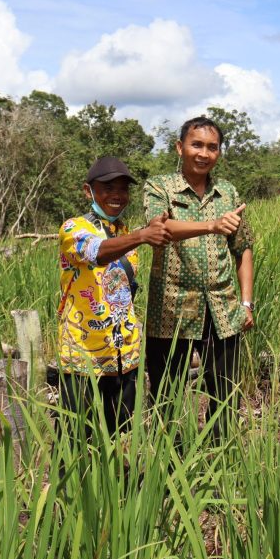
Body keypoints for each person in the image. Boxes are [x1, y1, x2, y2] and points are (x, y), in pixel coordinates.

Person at [143, 116, 254, 443]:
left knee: (225, 395)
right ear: (180, 148)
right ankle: (168, 468)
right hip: (171, 311)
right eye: (196, 145)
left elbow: (243, 248)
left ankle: (222, 462)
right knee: (167, 397)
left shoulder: (228, 192)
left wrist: (246, 303)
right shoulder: (160, 187)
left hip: (223, 310)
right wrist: (211, 225)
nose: (204, 153)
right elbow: (158, 229)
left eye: (212, 147)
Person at [57, 156, 170, 437]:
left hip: (124, 356)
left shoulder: (124, 232)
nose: (117, 195)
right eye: (108, 188)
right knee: (75, 441)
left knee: (118, 437)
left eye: (123, 188)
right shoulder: (73, 229)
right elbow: (97, 251)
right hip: (83, 358)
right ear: (88, 191)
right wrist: (143, 235)